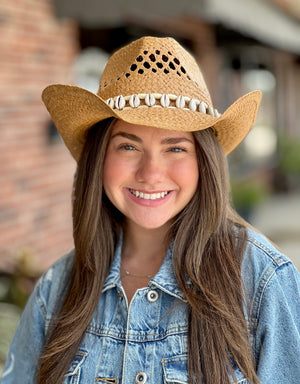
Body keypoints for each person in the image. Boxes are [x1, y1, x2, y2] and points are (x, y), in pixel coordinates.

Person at [1, 36, 300, 384]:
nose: (151, 174)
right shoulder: (58, 288)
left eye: (175, 148)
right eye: (128, 145)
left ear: (205, 160)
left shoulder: (263, 281)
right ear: (99, 158)